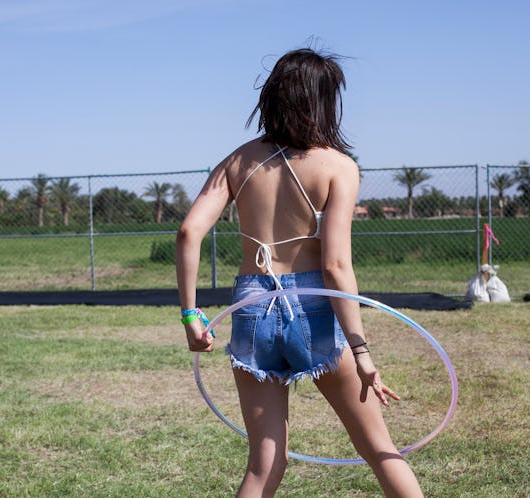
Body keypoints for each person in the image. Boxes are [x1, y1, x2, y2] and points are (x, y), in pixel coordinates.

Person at [176, 47, 423, 498]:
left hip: (252, 307)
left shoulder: (240, 161)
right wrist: (362, 352)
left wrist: (192, 317)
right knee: (379, 450)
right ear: (324, 101)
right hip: (311, 308)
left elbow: (189, 232)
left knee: (264, 465)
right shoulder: (338, 167)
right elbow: (334, 265)